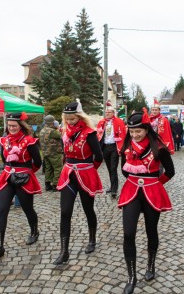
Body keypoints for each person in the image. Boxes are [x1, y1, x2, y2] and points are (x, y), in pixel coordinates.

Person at [118, 108, 175, 294]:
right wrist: (135, 180)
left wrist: (156, 184)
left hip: (152, 190)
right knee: (128, 233)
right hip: (131, 190)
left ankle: (151, 265)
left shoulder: (158, 147)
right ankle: (131, 276)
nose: (134, 135)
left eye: (138, 131)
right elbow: (124, 171)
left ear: (147, 129)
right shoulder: (126, 145)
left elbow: (170, 171)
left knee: (151, 230)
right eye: (131, 131)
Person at [54, 99, 103, 265]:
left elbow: (99, 156)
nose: (69, 122)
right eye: (67, 119)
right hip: (69, 175)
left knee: (88, 209)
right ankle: (64, 251)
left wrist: (89, 169)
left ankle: (92, 239)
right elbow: (65, 153)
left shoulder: (89, 133)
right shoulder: (64, 132)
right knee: (65, 211)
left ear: (80, 117)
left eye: (72, 119)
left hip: (85, 173)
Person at [0, 112, 42, 264]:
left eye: (14, 126)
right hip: (7, 176)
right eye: (9, 125)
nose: (11, 128)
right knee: (1, 210)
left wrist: (26, 173)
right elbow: (4, 159)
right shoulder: (4, 140)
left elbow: (38, 162)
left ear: (21, 126)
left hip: (24, 177)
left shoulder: (29, 141)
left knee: (27, 208)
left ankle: (34, 231)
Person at [96, 102, 126, 197]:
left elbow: (123, 134)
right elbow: (98, 135)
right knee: (109, 168)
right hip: (105, 147)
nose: (107, 114)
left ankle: (114, 189)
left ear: (113, 113)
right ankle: (112, 186)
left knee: (113, 168)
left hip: (114, 147)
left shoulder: (119, 121)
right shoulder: (102, 122)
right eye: (106, 112)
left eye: (109, 112)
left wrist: (122, 147)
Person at [39, 115, 63, 192]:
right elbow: (59, 136)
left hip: (45, 153)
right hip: (54, 152)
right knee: (57, 168)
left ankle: (47, 184)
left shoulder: (42, 130)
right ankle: (55, 185)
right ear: (52, 122)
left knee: (48, 169)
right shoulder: (52, 131)